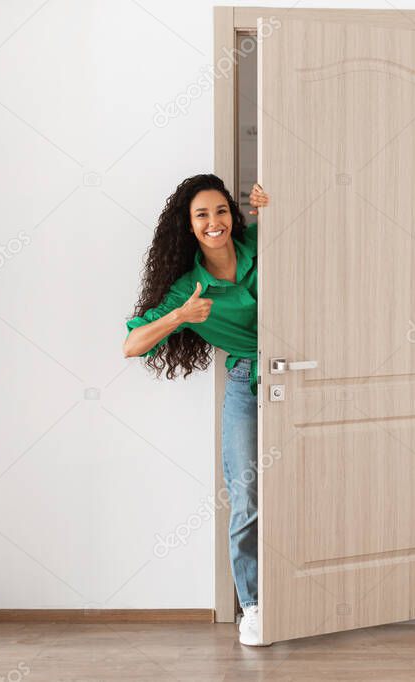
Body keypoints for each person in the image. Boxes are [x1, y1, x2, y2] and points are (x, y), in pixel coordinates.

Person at [122, 174, 269, 646]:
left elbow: (318, 232)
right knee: (247, 498)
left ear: (233, 215)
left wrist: (275, 206)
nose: (214, 222)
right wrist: (179, 316)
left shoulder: (261, 244)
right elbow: (132, 345)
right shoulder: (188, 288)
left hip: (296, 372)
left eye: (221, 211)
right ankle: (254, 607)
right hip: (248, 382)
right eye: (202, 215)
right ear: (189, 227)